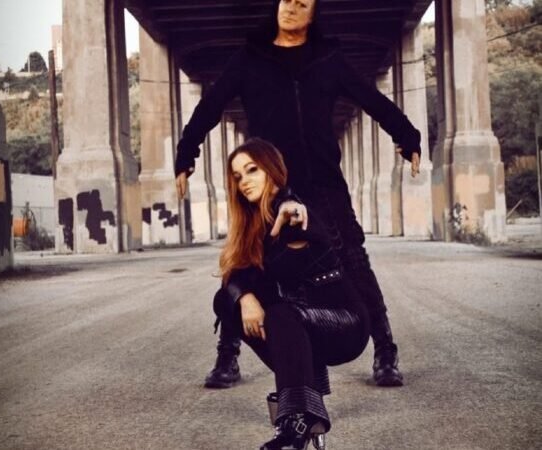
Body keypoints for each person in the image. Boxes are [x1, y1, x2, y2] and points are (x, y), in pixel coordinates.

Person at [175, 0, 422, 387]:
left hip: (324, 183)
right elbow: (210, 106)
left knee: (354, 261)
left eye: (301, 3)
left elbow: (371, 100)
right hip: (271, 184)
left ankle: (385, 352)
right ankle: (227, 356)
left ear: (313, 14)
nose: (290, 7)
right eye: (286, 0)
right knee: (248, 260)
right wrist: (186, 154)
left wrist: (407, 137)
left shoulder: (328, 59)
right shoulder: (250, 58)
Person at [218, 138, 370, 450]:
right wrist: (246, 298)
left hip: (343, 321)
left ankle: (295, 424)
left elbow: (294, 213)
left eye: (252, 170)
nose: (244, 181)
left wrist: (291, 209)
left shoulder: (292, 213)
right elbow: (233, 279)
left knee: (278, 312)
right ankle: (304, 404)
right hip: (299, 323)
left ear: (272, 171)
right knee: (227, 302)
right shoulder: (253, 224)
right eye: (237, 176)